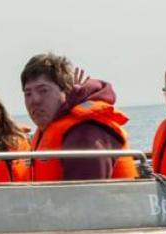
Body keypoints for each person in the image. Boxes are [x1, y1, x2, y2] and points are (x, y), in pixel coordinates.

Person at [20, 53, 137, 181]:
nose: (35, 100)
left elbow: (87, 198)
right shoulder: (49, 130)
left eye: (43, 90)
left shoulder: (84, 134)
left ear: (67, 91)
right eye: (28, 94)